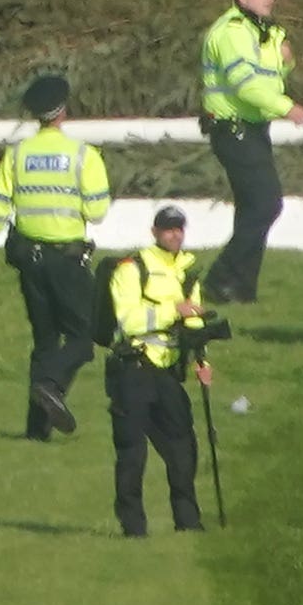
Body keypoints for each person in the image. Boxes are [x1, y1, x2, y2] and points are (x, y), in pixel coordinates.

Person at [0, 71, 114, 439]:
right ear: (63, 112)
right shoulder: (82, 156)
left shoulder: (17, 155)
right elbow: (97, 211)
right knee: (82, 339)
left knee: (44, 340)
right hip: (66, 259)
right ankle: (51, 385)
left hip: (30, 260)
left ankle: (36, 430)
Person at [196, 0, 299, 304]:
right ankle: (218, 279)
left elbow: (269, 80)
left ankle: (241, 289)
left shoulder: (266, 32)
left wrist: (286, 64)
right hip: (234, 128)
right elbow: (246, 86)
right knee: (267, 205)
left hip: (252, 129)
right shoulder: (231, 33)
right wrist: (289, 109)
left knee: (251, 210)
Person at [105, 205, 211, 536]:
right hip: (132, 368)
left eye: (179, 228)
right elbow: (128, 321)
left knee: (183, 447)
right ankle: (133, 527)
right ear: (155, 232)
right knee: (131, 452)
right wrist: (172, 310)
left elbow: (193, 321)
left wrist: (201, 360)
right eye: (168, 229)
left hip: (167, 372)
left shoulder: (188, 271)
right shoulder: (131, 268)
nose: (175, 234)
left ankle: (188, 522)